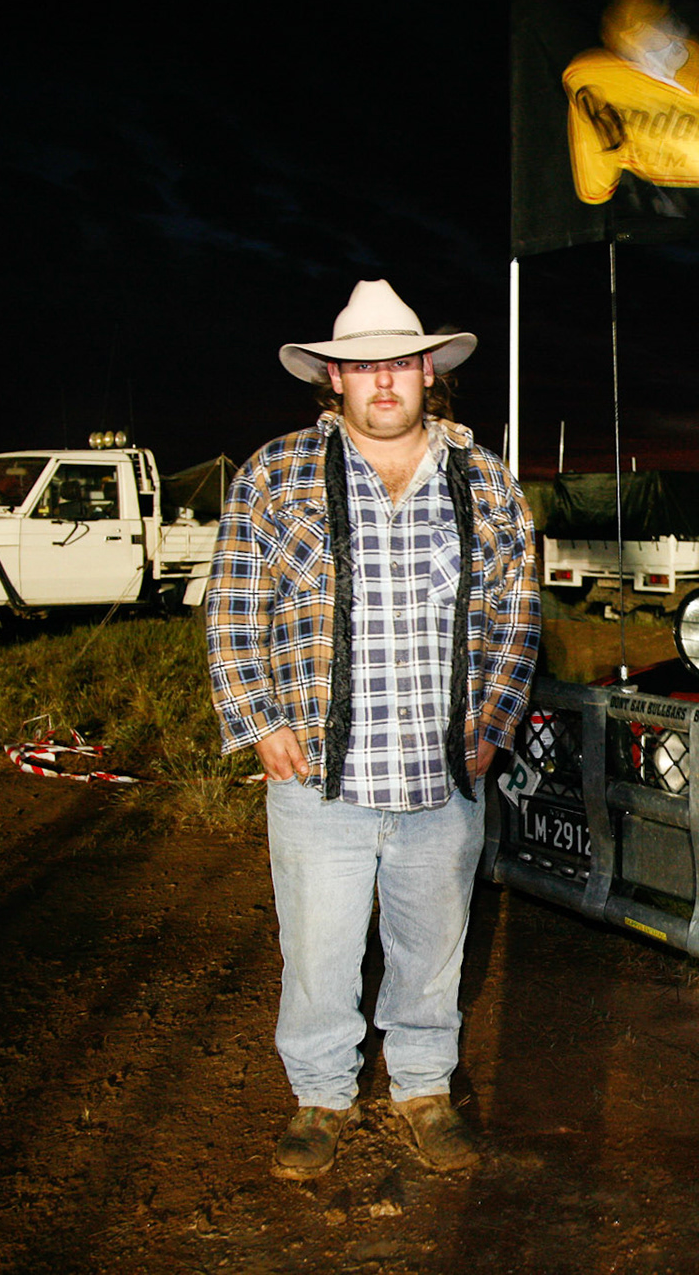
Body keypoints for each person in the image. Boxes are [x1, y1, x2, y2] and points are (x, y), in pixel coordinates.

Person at [206, 279, 541, 1181]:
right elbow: (235, 607)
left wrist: (495, 723)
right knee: (317, 951)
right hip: (320, 776)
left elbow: (516, 612)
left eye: (399, 362)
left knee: (433, 948)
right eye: (363, 367)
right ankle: (319, 1098)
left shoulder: (486, 480)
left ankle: (426, 1089)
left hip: (443, 776)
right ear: (334, 380)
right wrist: (258, 721)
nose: (383, 381)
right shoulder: (275, 475)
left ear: (429, 372)